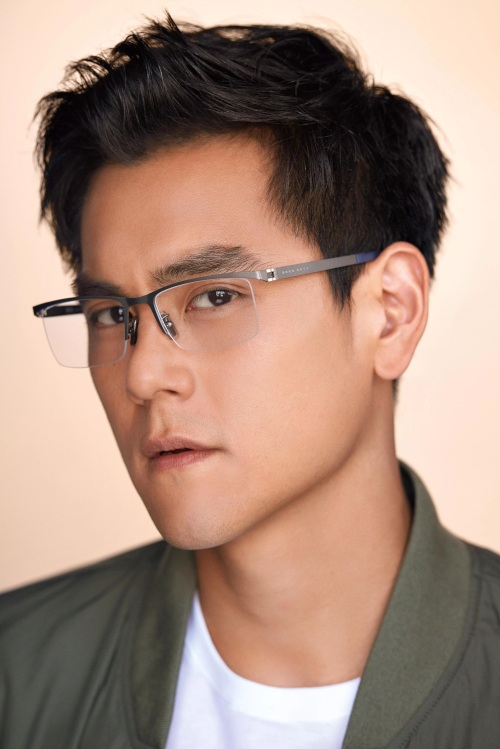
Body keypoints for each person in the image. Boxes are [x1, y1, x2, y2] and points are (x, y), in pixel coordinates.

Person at [1, 11, 499, 749]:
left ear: (390, 312)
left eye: (213, 296)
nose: (143, 373)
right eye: (112, 314)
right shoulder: (18, 676)